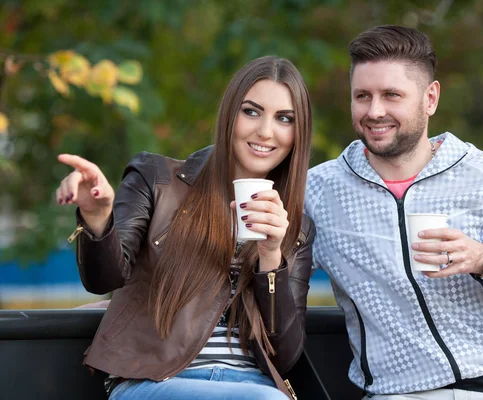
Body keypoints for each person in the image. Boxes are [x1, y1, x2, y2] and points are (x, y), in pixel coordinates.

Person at [304, 25, 483, 399]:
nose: (374, 111)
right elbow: (265, 272)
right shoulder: (318, 190)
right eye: (362, 95)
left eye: (391, 95)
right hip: (392, 394)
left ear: (430, 98)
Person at [55, 55, 315, 400]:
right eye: (251, 111)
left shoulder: (295, 229)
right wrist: (99, 217)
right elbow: (104, 280)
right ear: (229, 116)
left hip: (253, 387)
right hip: (152, 381)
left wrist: (271, 259)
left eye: (284, 119)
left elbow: (284, 354)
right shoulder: (158, 180)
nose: (265, 131)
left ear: (298, 133)